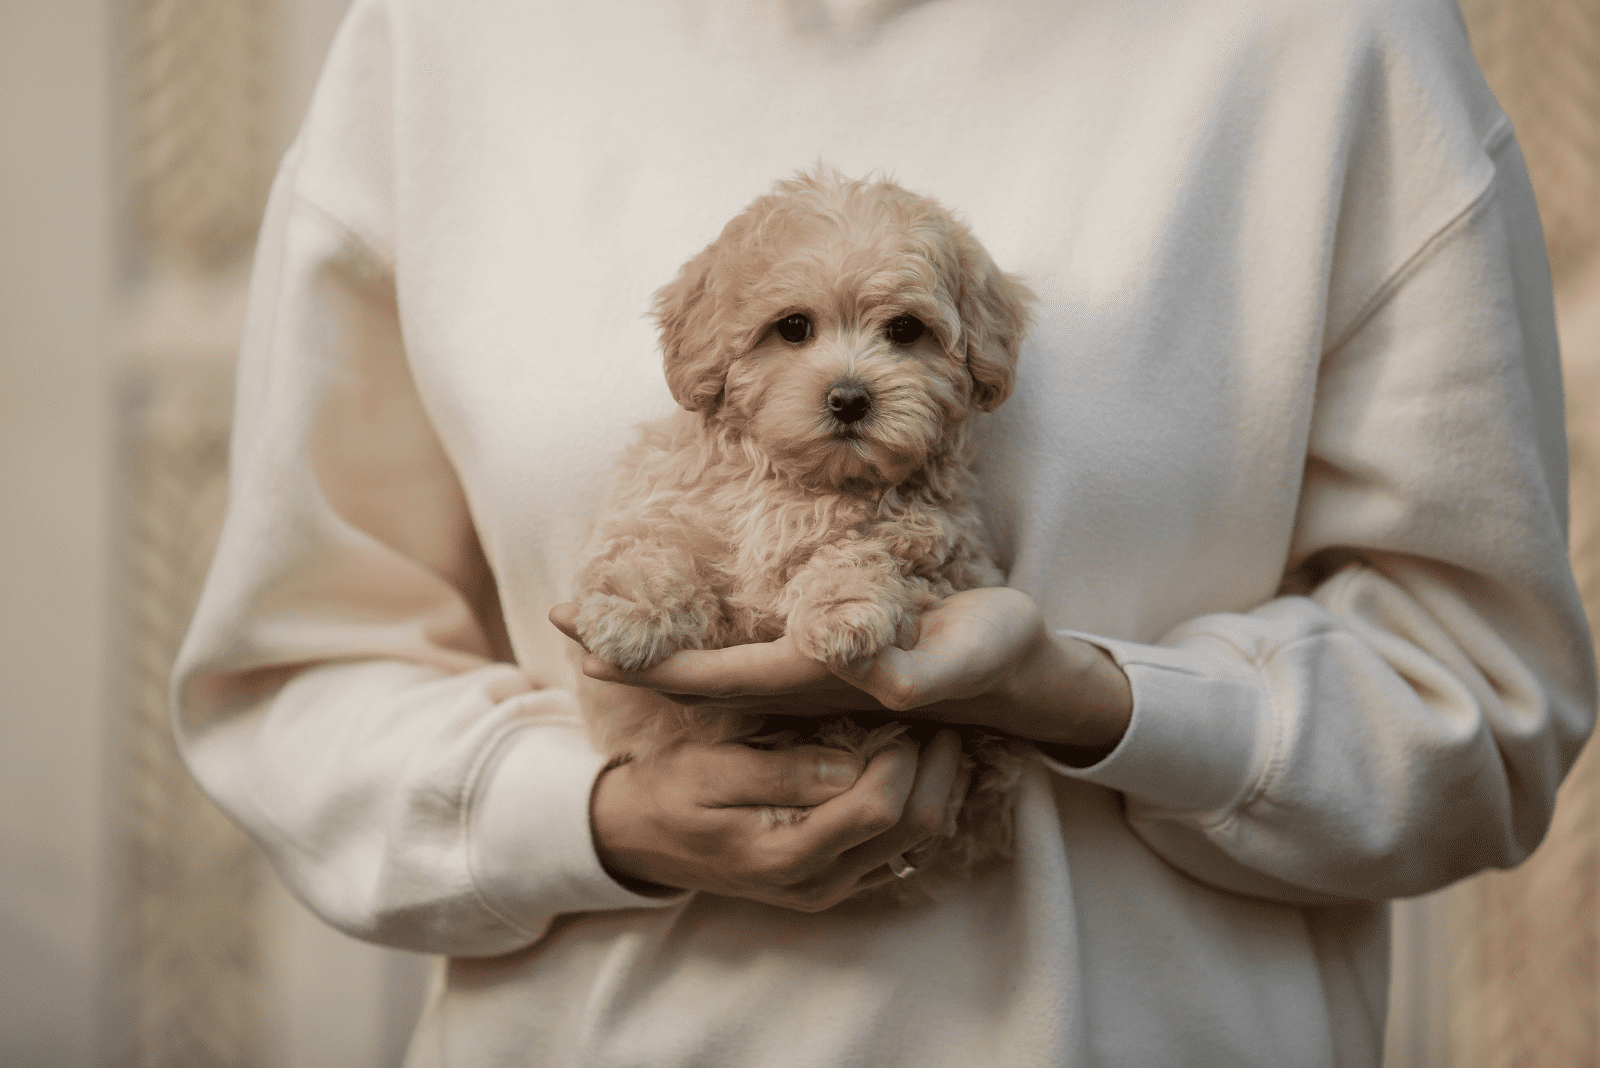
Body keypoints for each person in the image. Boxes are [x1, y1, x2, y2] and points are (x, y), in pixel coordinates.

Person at [172, 0, 1597, 1063]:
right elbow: (299, 676)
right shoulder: (442, 40)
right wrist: (597, 819)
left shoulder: (1331, 41)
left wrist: (1099, 703)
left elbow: (1479, 693)